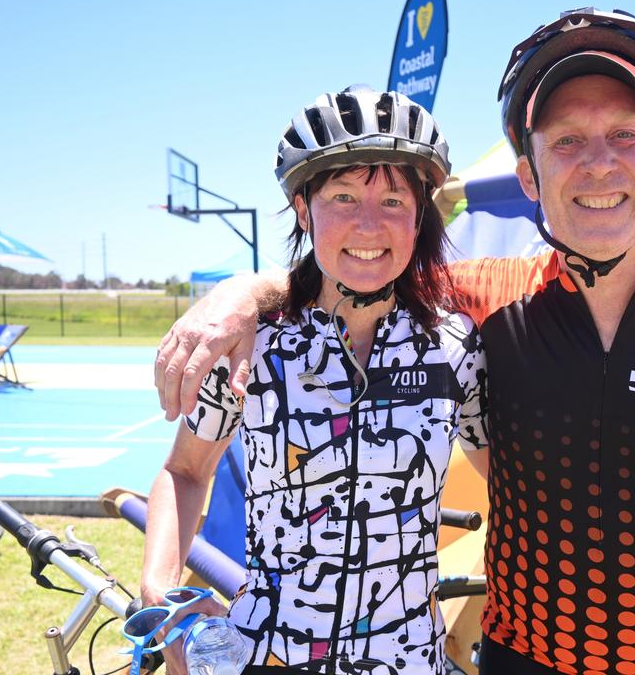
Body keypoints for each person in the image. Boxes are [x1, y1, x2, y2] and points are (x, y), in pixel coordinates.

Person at [155, 9, 635, 675]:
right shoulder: (481, 299)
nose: (599, 164)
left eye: (626, 136)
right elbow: (363, 266)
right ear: (529, 177)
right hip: (513, 661)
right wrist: (242, 296)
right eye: (567, 141)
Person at [140, 86, 489, 675]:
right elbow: (185, 470)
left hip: (408, 660)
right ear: (304, 209)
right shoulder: (251, 344)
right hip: (270, 653)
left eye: (394, 202)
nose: (369, 225)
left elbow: (511, 488)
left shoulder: (455, 346)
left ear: (420, 213)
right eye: (343, 197)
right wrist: (158, 592)